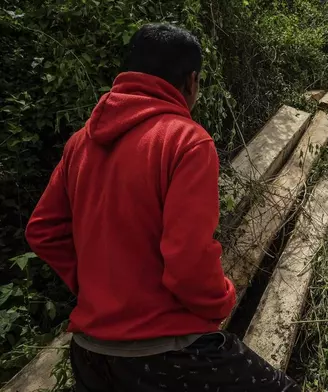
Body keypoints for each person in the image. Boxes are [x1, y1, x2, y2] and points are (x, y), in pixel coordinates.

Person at [26, 23, 301, 392]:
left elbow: (43, 230)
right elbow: (188, 259)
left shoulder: (81, 142)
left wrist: (95, 287)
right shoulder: (186, 141)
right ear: (191, 82)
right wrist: (221, 300)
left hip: (90, 354)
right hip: (165, 356)